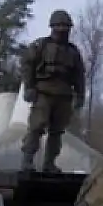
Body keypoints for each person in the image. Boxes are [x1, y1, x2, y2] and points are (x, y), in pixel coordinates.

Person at [20, 9, 87, 172]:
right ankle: (28, 159)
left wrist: (80, 95)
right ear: (53, 27)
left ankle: (49, 163)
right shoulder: (41, 46)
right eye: (60, 26)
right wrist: (29, 87)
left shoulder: (73, 51)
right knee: (37, 127)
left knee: (57, 132)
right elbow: (27, 65)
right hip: (43, 92)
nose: (63, 30)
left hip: (64, 95)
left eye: (66, 27)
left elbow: (79, 75)